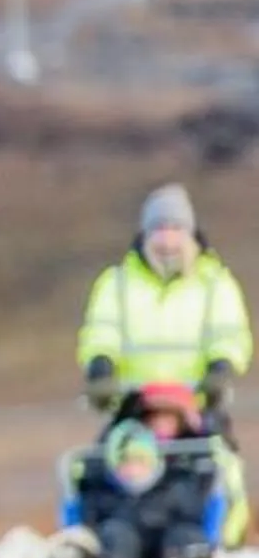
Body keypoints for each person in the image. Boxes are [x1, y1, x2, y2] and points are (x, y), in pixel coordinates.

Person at [79, 183, 252, 428]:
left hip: (197, 409)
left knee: (219, 463)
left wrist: (221, 369)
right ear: (146, 235)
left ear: (190, 234)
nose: (168, 240)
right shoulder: (116, 283)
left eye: (176, 228)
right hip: (134, 411)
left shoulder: (216, 284)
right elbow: (101, 333)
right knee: (99, 464)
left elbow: (229, 335)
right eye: (159, 229)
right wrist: (100, 367)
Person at [66, 379, 244, 558]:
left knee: (186, 541)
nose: (160, 424)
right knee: (115, 537)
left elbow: (199, 504)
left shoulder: (199, 456)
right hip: (128, 522)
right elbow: (95, 493)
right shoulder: (123, 443)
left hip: (175, 526)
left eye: (169, 417)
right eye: (154, 417)